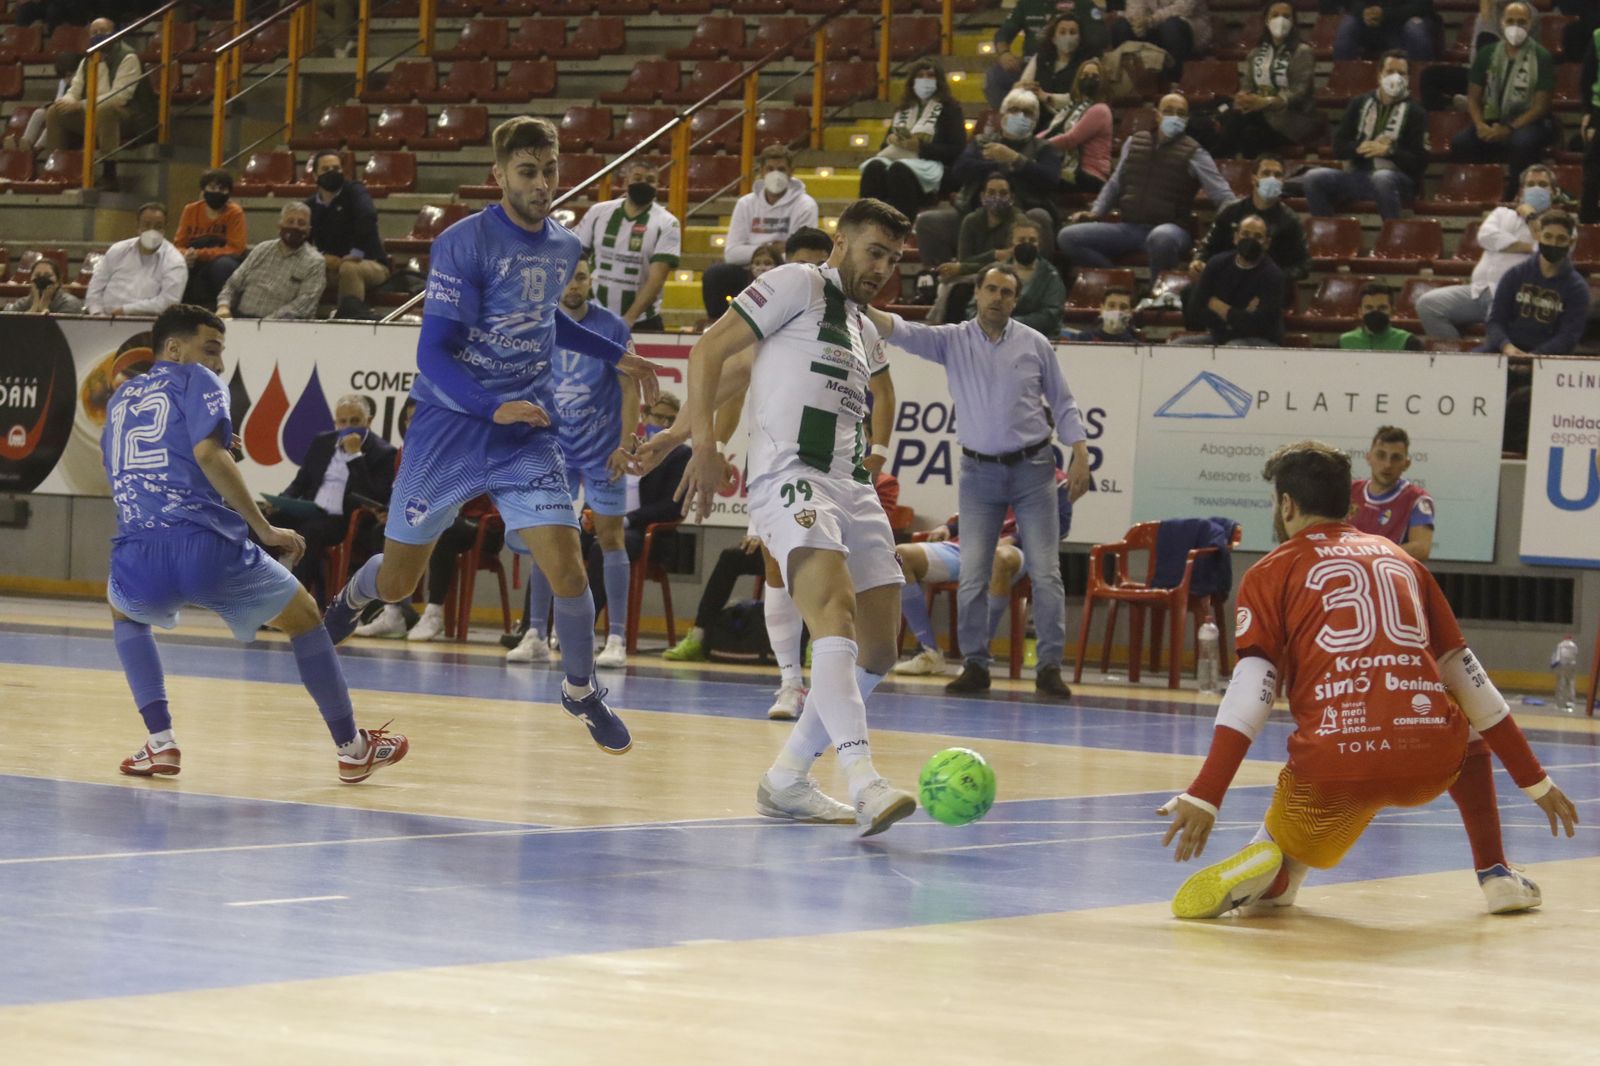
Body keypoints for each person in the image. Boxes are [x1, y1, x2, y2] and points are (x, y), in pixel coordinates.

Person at [320, 116, 663, 758]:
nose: (542, 183)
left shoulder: (564, 247)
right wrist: (489, 405)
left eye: (550, 170)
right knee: (398, 581)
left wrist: (615, 351)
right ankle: (357, 594)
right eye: (528, 172)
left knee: (565, 560)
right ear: (499, 175)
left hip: (524, 433)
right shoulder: (463, 243)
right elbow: (433, 351)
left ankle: (582, 690)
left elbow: (543, 321)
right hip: (450, 425)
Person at [1159, 440, 1577, 918]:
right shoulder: (1406, 564)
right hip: (1429, 761)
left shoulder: (1269, 571)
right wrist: (1535, 781)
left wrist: (1205, 795)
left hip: (1334, 766)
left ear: (1287, 504)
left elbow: (1250, 696)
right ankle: (1496, 873)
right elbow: (1470, 678)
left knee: (1306, 822)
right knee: (1458, 710)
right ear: (1350, 504)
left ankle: (1276, 867)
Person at [676, 197, 917, 836]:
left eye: (893, 259)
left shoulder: (865, 328)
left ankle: (786, 778)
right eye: (875, 252)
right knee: (831, 612)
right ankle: (863, 780)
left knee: (880, 646)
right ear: (841, 243)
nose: (883, 268)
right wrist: (701, 441)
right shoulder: (795, 284)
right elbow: (710, 354)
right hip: (791, 476)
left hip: (852, 485)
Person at [102, 305, 408, 784]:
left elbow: (144, 465)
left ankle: (160, 742)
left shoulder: (121, 400)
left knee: (125, 615)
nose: (220, 364)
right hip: (204, 547)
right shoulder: (198, 380)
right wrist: (263, 530)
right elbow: (206, 453)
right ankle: (353, 748)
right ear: (175, 349)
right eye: (212, 349)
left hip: (138, 549)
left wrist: (213, 451)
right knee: (306, 618)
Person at [863, 265, 1091, 698]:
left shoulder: (1035, 343)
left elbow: (1063, 403)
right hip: (979, 473)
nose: (998, 298)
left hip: (1034, 468)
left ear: (1015, 301)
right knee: (971, 573)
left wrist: (1080, 452)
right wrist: (861, 305)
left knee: (1046, 573)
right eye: (991, 289)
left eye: (1007, 292)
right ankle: (975, 665)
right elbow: (903, 331)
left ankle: (1048, 667)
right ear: (977, 292)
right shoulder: (952, 340)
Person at [512, 257, 639, 668]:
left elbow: (630, 390)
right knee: (546, 539)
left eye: (580, 277)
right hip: (554, 449)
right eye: (566, 279)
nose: (573, 285)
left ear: (590, 281)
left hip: (603, 448)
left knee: (611, 537)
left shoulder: (613, 327)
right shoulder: (537, 324)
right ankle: (534, 632)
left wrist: (626, 443)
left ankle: (616, 638)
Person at [894, 471, 1071, 675]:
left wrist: (1013, 539)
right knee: (900, 556)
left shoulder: (1056, 480)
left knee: (1000, 558)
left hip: (1017, 550)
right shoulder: (988, 470)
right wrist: (949, 528)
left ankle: (977, 659)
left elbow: (1061, 527)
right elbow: (973, 512)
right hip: (968, 547)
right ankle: (928, 651)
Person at [1057, 93, 1234, 281]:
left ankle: (1157, 293)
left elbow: (1223, 195)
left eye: (1180, 113)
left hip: (1172, 230)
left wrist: (1233, 224)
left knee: (1161, 237)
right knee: (1068, 237)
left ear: (1187, 119)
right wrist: (1096, 212)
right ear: (1157, 114)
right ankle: (1119, 281)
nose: (1174, 116)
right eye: (1168, 111)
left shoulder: (1195, 153)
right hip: (1129, 227)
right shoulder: (1134, 142)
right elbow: (1116, 182)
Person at [269, 393, 397, 600]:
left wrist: (356, 457)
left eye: (355, 421)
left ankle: (293, 602)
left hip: (343, 520)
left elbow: (373, 498)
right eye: (343, 421)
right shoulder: (322, 442)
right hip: (311, 509)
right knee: (269, 524)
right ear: (335, 422)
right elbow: (301, 482)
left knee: (310, 532)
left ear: (369, 421)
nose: (348, 426)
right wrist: (281, 500)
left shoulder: (383, 453)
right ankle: (261, 594)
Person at [1417, 164, 1550, 339]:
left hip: (1517, 296)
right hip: (1478, 290)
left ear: (1553, 192)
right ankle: (1454, 359)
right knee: (1428, 304)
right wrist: (1529, 247)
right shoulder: (1502, 213)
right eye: (1531, 184)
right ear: (1522, 191)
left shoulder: (1561, 226)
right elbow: (1486, 237)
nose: (1536, 189)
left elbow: (1548, 252)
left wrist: (1532, 218)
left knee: (1498, 319)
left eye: (1542, 184)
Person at [1451, 2, 1557, 202]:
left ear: (1530, 24)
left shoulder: (1542, 57)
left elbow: (1540, 106)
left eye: (1521, 22)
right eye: (1510, 21)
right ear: (1501, 23)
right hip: (1491, 118)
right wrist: (1480, 125)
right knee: (1461, 143)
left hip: (1528, 122)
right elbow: (1473, 97)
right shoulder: (1487, 53)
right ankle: (1477, 190)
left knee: (1522, 143)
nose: (1515, 26)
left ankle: (1512, 194)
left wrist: (1509, 128)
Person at [1301, 51, 1427, 221]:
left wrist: (1389, 151)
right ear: (1379, 75)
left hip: (1398, 181)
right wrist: (1363, 147)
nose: (1395, 77)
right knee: (1313, 177)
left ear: (1409, 78)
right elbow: (1338, 147)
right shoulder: (1359, 103)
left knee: (1382, 178)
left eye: (1402, 73)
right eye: (1390, 71)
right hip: (1360, 176)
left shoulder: (1416, 112)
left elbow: (1421, 162)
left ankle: (1392, 234)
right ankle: (1328, 231)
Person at [701, 146, 818, 321]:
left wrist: (765, 255)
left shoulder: (805, 205)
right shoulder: (746, 204)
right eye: (770, 169)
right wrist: (771, 250)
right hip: (749, 270)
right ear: (761, 171)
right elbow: (732, 253)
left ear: (791, 172)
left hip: (784, 271)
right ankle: (717, 326)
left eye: (781, 169)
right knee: (715, 275)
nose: (775, 174)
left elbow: (802, 255)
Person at [574, 157, 681, 332]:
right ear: (625, 182)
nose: (643, 184)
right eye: (637, 179)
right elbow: (577, 256)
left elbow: (657, 278)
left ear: (658, 186)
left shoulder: (668, 223)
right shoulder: (598, 212)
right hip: (593, 314)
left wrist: (628, 320)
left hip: (642, 320)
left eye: (650, 180)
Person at [859, 61, 967, 224]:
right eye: (920, 76)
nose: (925, 80)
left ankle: (900, 227)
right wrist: (893, 141)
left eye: (930, 76)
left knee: (899, 169)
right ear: (913, 81)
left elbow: (957, 150)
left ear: (939, 80)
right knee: (874, 167)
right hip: (901, 159)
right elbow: (884, 148)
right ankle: (866, 223)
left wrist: (920, 147)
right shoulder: (903, 109)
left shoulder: (950, 109)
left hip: (934, 165)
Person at [43, 17, 140, 190]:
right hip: (91, 112)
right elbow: (74, 90)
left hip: (126, 116)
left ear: (115, 34)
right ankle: (57, 168)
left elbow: (120, 96)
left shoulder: (128, 57)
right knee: (54, 111)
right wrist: (65, 102)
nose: (98, 35)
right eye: (94, 32)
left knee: (105, 109)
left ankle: (110, 174)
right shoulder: (87, 60)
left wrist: (80, 105)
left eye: (103, 31)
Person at [1215, 3, 1322, 160]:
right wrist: (1243, 98)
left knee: (1247, 132)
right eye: (1275, 15)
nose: (1281, 20)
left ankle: (1221, 165)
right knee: (1235, 121)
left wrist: (1266, 102)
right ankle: (1223, 166)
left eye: (1286, 16)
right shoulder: (1256, 53)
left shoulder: (1303, 52)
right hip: (1259, 115)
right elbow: (1247, 86)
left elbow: (1299, 94)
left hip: (1293, 120)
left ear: (1294, 21)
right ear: (1266, 20)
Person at [1479, 210, 1590, 357]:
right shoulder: (1515, 275)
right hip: (1505, 352)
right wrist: (1506, 346)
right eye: (1548, 237)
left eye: (1561, 239)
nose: (1553, 243)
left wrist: (1535, 357)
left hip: (1548, 360)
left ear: (1571, 242)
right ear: (1538, 236)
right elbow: (1496, 321)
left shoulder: (1577, 288)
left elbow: (1568, 336)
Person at [1190, 154, 1309, 282]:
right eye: (1266, 173)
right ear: (1253, 179)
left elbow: (1303, 265)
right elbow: (1208, 248)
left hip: (1268, 286)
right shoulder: (1231, 211)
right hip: (1228, 280)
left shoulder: (1290, 220)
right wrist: (1198, 261)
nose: (1272, 179)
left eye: (1278, 175)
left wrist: (1274, 276)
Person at [1171, 214, 1284, 347]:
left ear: (1266, 243)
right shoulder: (1217, 263)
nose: (1250, 240)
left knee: (1232, 347)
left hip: (1261, 341)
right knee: (1178, 345)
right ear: (1236, 237)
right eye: (1245, 234)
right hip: (1220, 336)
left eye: (1258, 237)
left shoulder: (1272, 275)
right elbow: (1195, 309)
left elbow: (1257, 325)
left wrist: (1216, 304)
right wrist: (1239, 315)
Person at [306, 150, 391, 320]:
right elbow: (304, 243)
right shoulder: (310, 205)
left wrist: (356, 253)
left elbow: (368, 216)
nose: (332, 172)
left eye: (336, 168)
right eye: (326, 169)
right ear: (315, 175)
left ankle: (348, 321)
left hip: (369, 263)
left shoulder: (355, 191)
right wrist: (321, 257)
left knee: (349, 269)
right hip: (331, 265)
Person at [986, 0, 1107, 111]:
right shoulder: (1027, 4)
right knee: (994, 76)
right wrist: (1004, 53)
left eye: (1072, 32)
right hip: (1032, 65)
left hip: (1071, 66)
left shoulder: (1083, 4)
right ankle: (1006, 120)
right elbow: (1003, 34)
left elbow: (1100, 38)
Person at [216, 202, 326, 321]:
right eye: (290, 221)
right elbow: (233, 284)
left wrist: (265, 323)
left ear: (308, 230)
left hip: (281, 326)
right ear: (279, 225)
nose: (295, 226)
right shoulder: (261, 249)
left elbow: (303, 305)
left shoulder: (315, 262)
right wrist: (223, 306)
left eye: (301, 223)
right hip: (241, 319)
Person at [959, 218, 1065, 337]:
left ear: (1039, 244)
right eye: (1021, 240)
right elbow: (972, 308)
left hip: (1034, 337)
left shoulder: (1051, 275)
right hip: (987, 335)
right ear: (1011, 244)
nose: (1027, 243)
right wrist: (986, 323)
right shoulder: (993, 272)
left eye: (1032, 240)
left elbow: (1051, 314)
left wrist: (1009, 325)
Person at [85, 203, 187, 318]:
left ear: (165, 228)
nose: (151, 231)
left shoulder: (175, 261)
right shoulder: (117, 250)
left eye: (158, 227)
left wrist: (125, 310)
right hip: (103, 319)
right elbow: (95, 287)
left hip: (145, 325)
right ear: (138, 226)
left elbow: (168, 302)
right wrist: (97, 313)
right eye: (146, 225)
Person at [1350, 425, 1434, 561]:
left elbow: (1421, 549)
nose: (1387, 464)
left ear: (1406, 464)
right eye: (1381, 455)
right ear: (1368, 457)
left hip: (1389, 577)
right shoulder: (1349, 491)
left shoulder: (1417, 500)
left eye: (1395, 458)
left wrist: (1367, 555)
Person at [1036, 59, 1113, 195]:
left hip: (1090, 173)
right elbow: (1052, 130)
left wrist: (1038, 146)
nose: (1089, 79)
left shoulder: (1100, 110)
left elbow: (1070, 139)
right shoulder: (1073, 106)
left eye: (1095, 76)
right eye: (1084, 74)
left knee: (1036, 175)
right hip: (1071, 170)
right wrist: (1031, 143)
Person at [173, 170, 247, 312]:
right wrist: (185, 254)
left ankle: (227, 308)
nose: (217, 192)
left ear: (229, 193)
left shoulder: (235, 212)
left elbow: (236, 248)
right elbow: (178, 244)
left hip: (221, 260)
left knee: (222, 265)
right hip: (193, 259)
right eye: (212, 188)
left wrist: (200, 254)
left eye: (222, 189)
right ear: (203, 190)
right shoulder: (190, 210)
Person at [1111, 0, 1214, 77]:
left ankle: (1174, 81)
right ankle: (1129, 82)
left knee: (1170, 28)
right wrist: (1137, 21)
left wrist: (1152, 20)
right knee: (1122, 27)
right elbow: (1135, 6)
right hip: (1151, 26)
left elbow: (1183, 8)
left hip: (1188, 25)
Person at [8, 52, 79, 152]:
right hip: (62, 113)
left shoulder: (83, 82)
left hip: (75, 117)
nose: (67, 80)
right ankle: (26, 142)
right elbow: (58, 101)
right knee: (39, 113)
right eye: (64, 77)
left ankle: (35, 150)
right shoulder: (63, 82)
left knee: (53, 122)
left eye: (70, 75)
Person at [1332, 0, 1437, 61]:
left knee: (1415, 29)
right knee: (1348, 25)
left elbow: (1423, 6)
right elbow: (1353, 3)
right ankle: (1343, 81)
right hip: (1372, 27)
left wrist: (1385, 14)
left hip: (1403, 25)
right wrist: (1365, 13)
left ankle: (1418, 84)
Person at [1340, 281, 1423, 352]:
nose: (1375, 312)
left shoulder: (1408, 342)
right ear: (1360, 312)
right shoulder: (1344, 342)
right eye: (1369, 307)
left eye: (1382, 307)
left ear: (1392, 311)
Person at [5, 256, 83, 315]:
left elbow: (56, 331)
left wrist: (44, 306)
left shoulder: (70, 303)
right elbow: (12, 328)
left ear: (58, 281)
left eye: (48, 276)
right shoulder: (22, 303)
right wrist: (34, 307)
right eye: (37, 275)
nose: (42, 279)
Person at [1063, 285, 1141, 343]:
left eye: (1123, 307)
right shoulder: (1084, 339)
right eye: (1111, 305)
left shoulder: (1135, 346)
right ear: (1102, 308)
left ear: (1130, 312)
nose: (1117, 311)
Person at [1581, 29, 1599, 225]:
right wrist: (1588, 112)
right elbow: (1587, 77)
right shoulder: (1598, 37)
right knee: (1593, 166)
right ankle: (1587, 220)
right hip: (1599, 110)